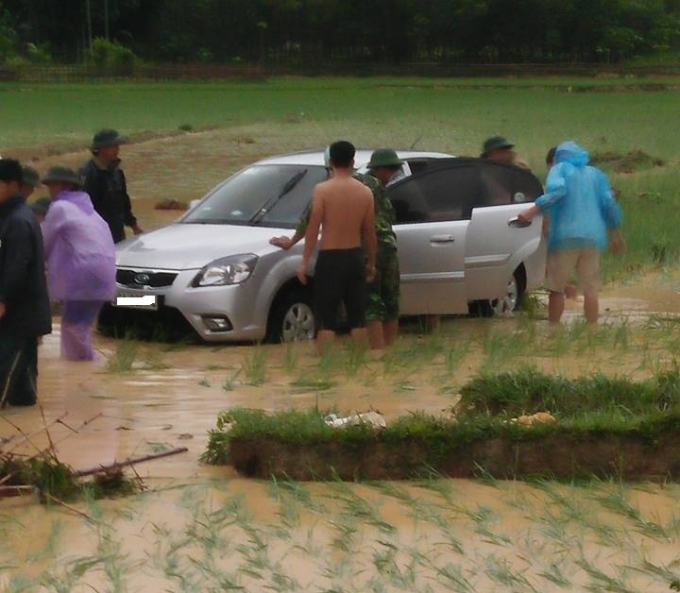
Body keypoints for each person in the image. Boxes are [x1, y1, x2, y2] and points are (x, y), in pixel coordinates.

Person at [518, 141, 624, 324]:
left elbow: (557, 192)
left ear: (558, 158)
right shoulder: (597, 175)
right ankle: (592, 330)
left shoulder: (559, 170)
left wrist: (531, 211)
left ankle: (553, 330)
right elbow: (609, 204)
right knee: (591, 289)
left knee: (556, 288)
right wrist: (616, 234)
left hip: (564, 237)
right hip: (592, 238)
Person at [297, 141, 377, 350]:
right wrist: (372, 263)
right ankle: (361, 364)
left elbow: (313, 227)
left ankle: (324, 367)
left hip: (330, 258)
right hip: (355, 257)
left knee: (326, 318)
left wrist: (304, 262)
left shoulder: (322, 190)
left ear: (331, 162)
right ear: (352, 161)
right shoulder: (366, 192)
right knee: (358, 316)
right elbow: (369, 232)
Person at [41, 166, 116, 360]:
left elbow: (43, 242)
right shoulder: (91, 212)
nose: (50, 189)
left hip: (82, 273)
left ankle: (79, 373)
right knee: (82, 326)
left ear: (65, 186)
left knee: (72, 327)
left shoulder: (60, 208)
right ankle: (88, 371)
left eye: (52, 184)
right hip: (105, 273)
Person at [0, 159, 52, 408]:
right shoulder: (11, 216)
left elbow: (16, 267)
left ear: (12, 186)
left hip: (17, 314)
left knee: (5, 377)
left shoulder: (18, 221)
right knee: (22, 393)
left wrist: (2, 300)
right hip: (21, 313)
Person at [80, 128, 143, 243]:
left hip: (117, 232)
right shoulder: (88, 174)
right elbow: (84, 209)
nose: (117, 150)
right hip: (97, 235)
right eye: (112, 146)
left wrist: (134, 226)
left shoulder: (117, 172)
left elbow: (123, 201)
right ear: (100, 149)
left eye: (117, 146)